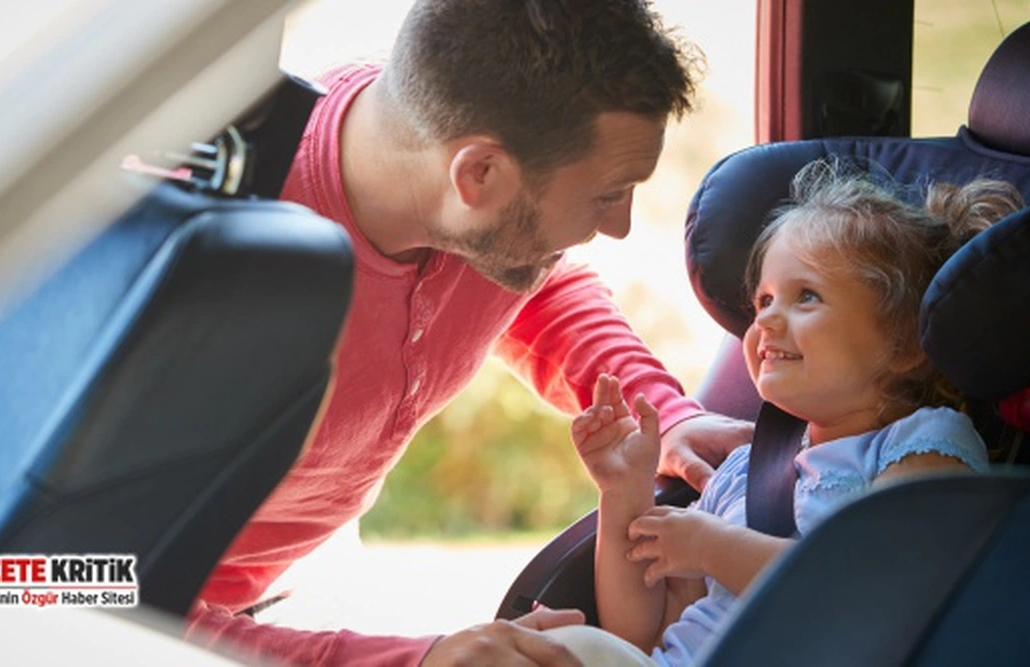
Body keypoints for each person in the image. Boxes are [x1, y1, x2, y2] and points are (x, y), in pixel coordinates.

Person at [185, 1, 754, 665]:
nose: (621, 225)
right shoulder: (195, 269)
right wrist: (417, 658)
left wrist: (659, 412)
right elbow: (60, 581)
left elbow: (540, 286)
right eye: (607, 194)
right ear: (478, 173)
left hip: (291, 584)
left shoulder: (466, 198)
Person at [564, 160, 1023, 664]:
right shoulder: (740, 472)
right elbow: (639, 633)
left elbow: (876, 595)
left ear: (907, 342)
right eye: (762, 300)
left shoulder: (923, 444)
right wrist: (624, 495)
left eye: (806, 296)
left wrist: (714, 547)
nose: (767, 319)